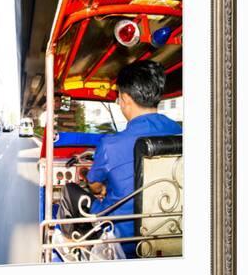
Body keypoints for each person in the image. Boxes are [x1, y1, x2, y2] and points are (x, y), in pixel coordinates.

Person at [60, 60, 182, 258]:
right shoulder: (180, 132)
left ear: (125, 99)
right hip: (169, 234)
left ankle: (74, 244)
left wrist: (103, 187)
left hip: (120, 238)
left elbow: (95, 187)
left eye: (118, 98)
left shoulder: (110, 145)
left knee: (69, 190)